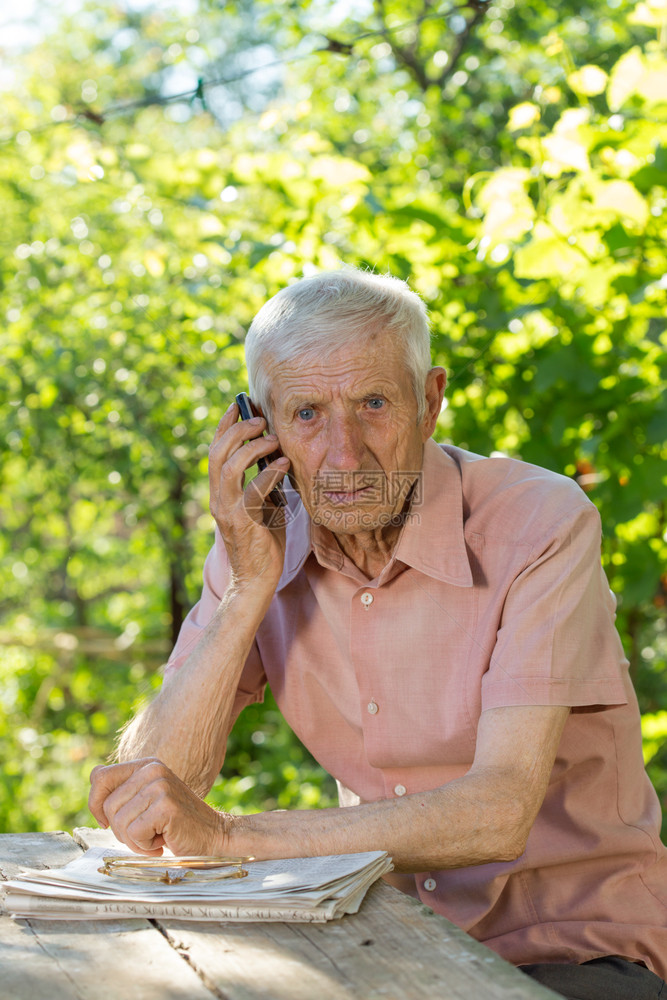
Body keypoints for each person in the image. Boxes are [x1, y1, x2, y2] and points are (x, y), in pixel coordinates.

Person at [89, 269, 667, 1000]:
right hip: (383, 940)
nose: (345, 454)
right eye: (305, 414)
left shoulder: (537, 524)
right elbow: (147, 797)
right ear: (257, 429)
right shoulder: (259, 545)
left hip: (577, 949)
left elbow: (496, 813)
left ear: (429, 401)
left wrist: (230, 838)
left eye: (371, 403)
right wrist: (244, 591)